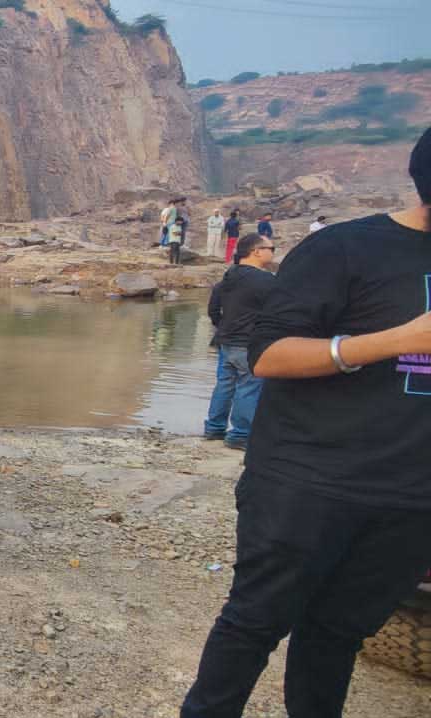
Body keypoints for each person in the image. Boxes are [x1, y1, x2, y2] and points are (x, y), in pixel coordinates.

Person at [180, 127, 431, 718]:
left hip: (413, 499)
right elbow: (268, 356)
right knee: (253, 625)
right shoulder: (346, 249)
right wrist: (399, 340)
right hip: (308, 482)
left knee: (338, 634)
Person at [202, 236, 277, 450]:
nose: (273, 252)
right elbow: (278, 312)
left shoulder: (227, 278)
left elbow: (213, 311)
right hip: (249, 343)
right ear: (256, 251)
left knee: (225, 384)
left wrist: (223, 327)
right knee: (249, 386)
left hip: (226, 341)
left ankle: (214, 428)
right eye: (271, 248)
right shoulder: (266, 282)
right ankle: (241, 434)